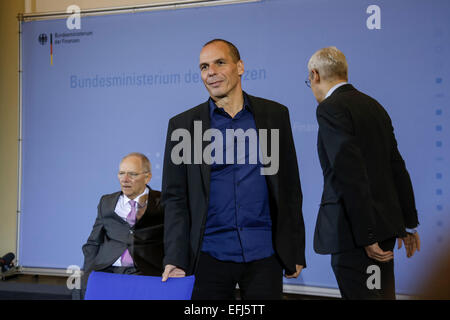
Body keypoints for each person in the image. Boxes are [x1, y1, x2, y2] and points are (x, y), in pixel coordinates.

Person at [161, 39, 306, 300]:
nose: (211, 72)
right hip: (208, 256)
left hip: (265, 254)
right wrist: (174, 256)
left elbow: (290, 188)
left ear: (240, 67)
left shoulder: (274, 115)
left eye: (219, 63)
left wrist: (295, 248)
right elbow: (175, 200)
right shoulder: (184, 126)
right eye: (204, 67)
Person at [306, 47, 420, 299]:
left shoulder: (330, 108)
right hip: (384, 230)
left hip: (357, 237)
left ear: (315, 75)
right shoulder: (374, 106)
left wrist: (367, 236)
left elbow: (350, 174)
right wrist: (408, 223)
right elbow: (396, 166)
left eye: (309, 80)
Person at [81, 152, 164, 297]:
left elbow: (173, 240)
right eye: (121, 173)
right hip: (107, 270)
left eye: (132, 174)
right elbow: (93, 242)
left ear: (147, 177)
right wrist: (88, 274)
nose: (125, 179)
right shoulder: (106, 202)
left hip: (145, 272)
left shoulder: (162, 202)